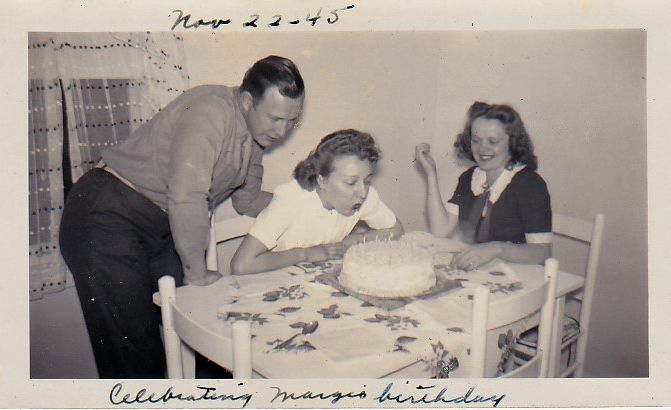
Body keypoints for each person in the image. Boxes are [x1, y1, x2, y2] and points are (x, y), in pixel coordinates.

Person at [58, 55, 305, 378]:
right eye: (275, 118)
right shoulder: (211, 110)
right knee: (135, 355)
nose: (282, 131)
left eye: (291, 122)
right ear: (247, 101)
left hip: (159, 227)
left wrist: (311, 207)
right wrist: (197, 273)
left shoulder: (255, 139)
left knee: (207, 337)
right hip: (107, 214)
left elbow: (248, 201)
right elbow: (187, 195)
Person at [231, 129, 404, 275]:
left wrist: (353, 241)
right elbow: (241, 265)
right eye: (351, 182)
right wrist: (306, 254)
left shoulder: (364, 196)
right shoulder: (291, 199)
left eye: (367, 181)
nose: (362, 192)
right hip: (277, 281)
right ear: (322, 180)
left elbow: (396, 229)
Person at [415, 101, 551, 271]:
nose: (482, 149)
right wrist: (431, 175)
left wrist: (497, 248)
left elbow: (542, 252)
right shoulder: (470, 178)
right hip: (484, 273)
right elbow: (440, 230)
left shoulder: (529, 184)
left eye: (493, 141)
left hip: (522, 276)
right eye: (476, 140)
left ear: (512, 143)